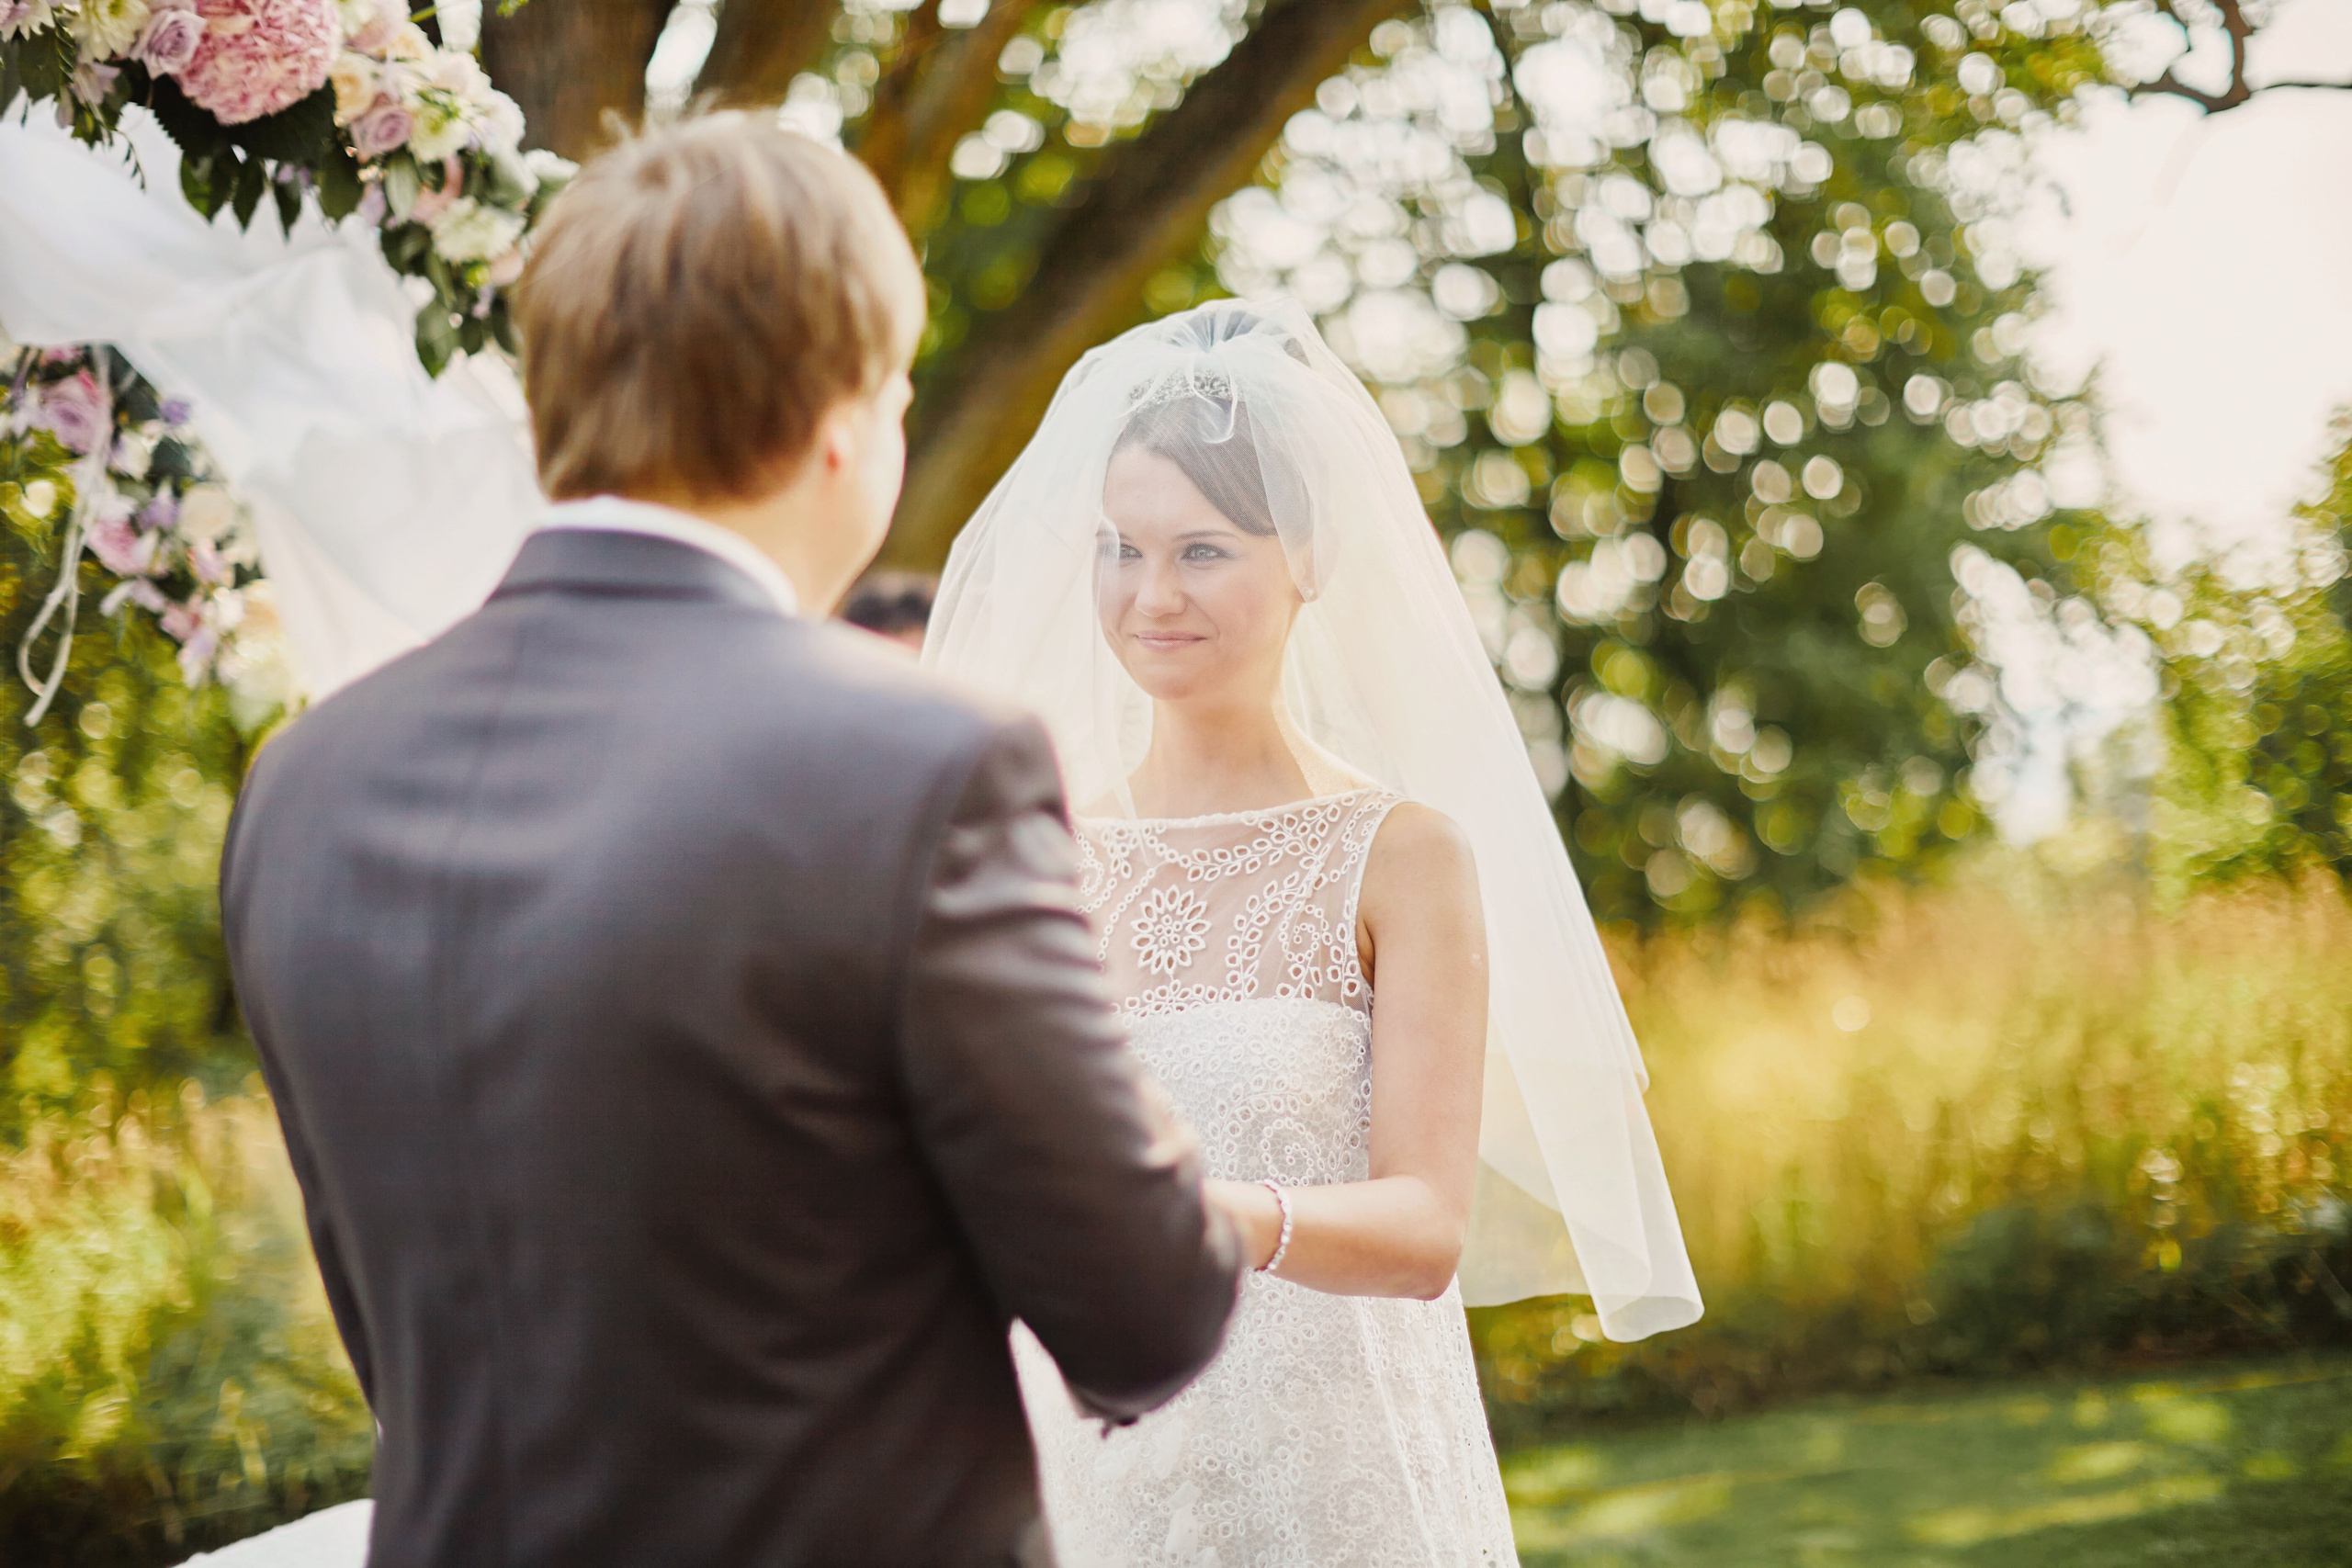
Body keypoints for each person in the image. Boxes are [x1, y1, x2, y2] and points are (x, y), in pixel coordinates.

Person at [216, 116, 1244, 1568]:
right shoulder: (924, 764)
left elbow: (398, 1341)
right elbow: (1145, 1313)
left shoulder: (308, 779)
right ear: (844, 416)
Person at [925, 301, 1702, 1565]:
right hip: (1094, 1483)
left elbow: (1424, 1230)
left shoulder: (1403, 856)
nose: (1152, 594)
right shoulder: (1036, 852)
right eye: (1121, 548)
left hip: (1339, 1488)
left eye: (1205, 551)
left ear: (1309, 559)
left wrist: (1190, 1219)